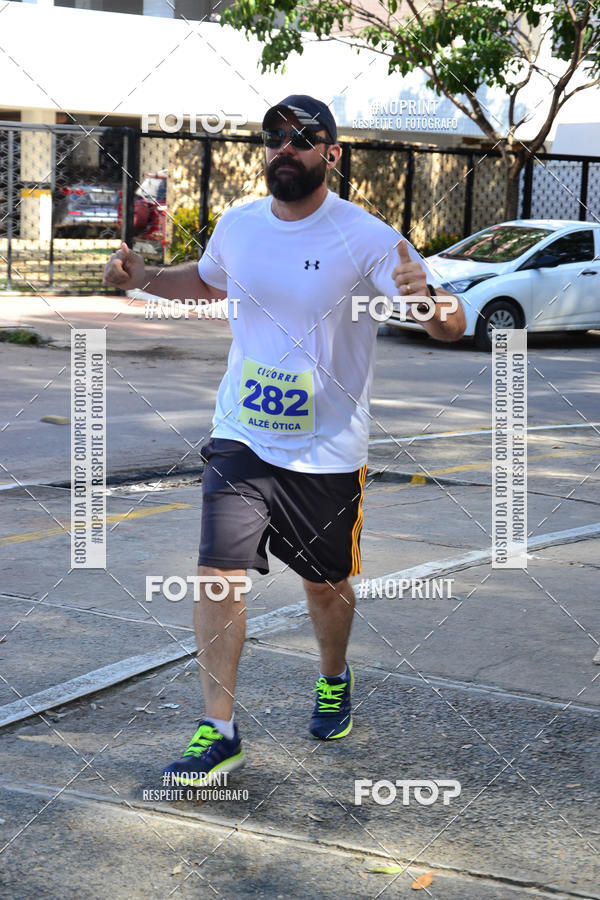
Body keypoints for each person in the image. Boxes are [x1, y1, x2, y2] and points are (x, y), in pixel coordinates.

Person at [103, 94, 465, 785]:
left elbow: (445, 320)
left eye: (303, 139)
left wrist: (429, 302)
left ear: (332, 153)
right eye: (275, 138)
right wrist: (144, 278)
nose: (285, 149)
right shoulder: (239, 227)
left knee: (325, 587)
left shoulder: (364, 236)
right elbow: (208, 282)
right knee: (216, 575)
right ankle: (220, 729)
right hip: (242, 435)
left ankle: (333, 677)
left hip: (327, 450)